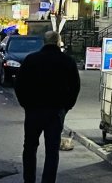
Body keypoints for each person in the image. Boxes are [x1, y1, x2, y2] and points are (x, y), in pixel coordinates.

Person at [15, 31, 80, 183]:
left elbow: (19, 84)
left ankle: (29, 179)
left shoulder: (31, 59)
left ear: (44, 42)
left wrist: (26, 104)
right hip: (56, 111)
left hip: (33, 110)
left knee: (30, 147)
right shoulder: (68, 61)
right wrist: (66, 107)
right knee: (52, 150)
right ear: (58, 42)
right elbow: (75, 87)